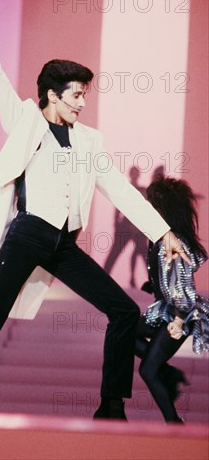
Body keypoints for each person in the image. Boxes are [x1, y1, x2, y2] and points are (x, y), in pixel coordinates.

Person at [0, 0, 190, 419]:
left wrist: (163, 232)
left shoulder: (90, 140)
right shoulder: (26, 120)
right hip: (26, 237)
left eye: (84, 96)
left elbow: (119, 188)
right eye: (76, 95)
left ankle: (110, 407)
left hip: (63, 245)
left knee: (123, 310)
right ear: (53, 95)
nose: (81, 103)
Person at [136, 177, 208, 423]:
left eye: (151, 205)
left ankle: (173, 423)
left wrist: (177, 321)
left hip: (180, 314)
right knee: (123, 329)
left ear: (162, 209)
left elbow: (182, 285)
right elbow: (169, 278)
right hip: (168, 309)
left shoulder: (172, 242)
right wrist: (154, 285)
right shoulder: (162, 237)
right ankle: (169, 374)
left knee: (147, 370)